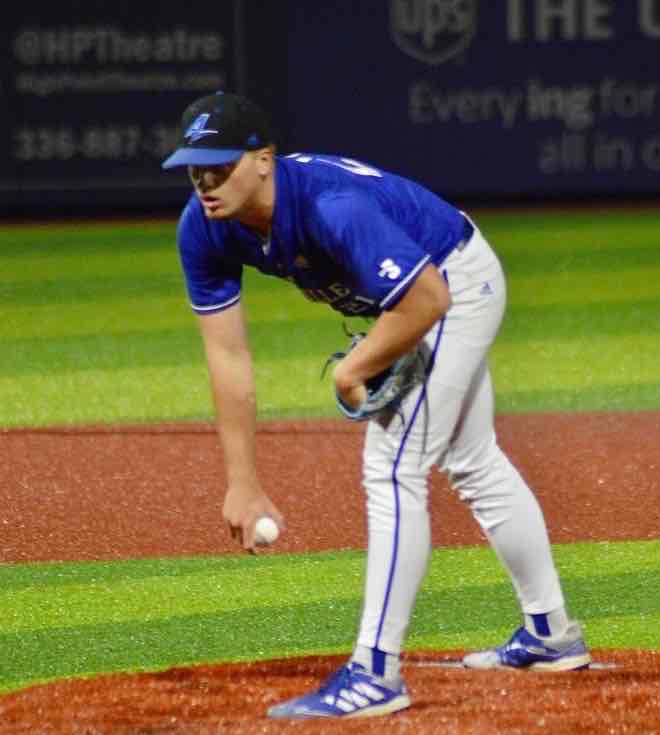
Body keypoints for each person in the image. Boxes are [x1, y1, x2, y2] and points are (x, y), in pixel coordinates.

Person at [162, 92, 591, 720]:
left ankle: (375, 673)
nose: (205, 182)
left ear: (262, 160)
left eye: (219, 166)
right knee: (472, 460)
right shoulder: (202, 229)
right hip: (420, 297)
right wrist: (243, 483)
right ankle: (550, 633)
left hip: (452, 282)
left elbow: (427, 300)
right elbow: (228, 360)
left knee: (393, 466)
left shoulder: (333, 206)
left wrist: (353, 370)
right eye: (195, 168)